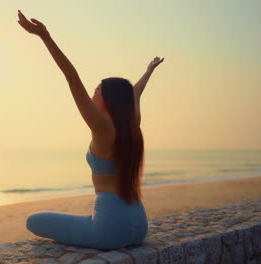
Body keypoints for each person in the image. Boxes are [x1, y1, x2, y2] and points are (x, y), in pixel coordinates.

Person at [17, 10, 165, 250]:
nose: (92, 94)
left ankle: (93, 226)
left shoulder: (103, 130)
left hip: (111, 230)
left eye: (97, 91)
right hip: (139, 226)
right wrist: (148, 72)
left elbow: (72, 79)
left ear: (107, 100)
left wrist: (45, 37)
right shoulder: (131, 126)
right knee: (78, 222)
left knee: (33, 221)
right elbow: (135, 94)